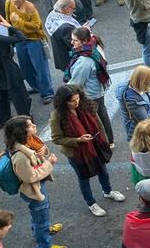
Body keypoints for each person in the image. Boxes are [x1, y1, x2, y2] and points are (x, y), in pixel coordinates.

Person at [50, 83, 123, 216]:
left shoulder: (86, 105)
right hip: (76, 152)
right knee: (84, 177)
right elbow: (57, 138)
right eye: (72, 101)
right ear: (63, 102)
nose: (76, 102)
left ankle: (108, 191)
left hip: (95, 145)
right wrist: (78, 140)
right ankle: (91, 203)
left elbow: (99, 125)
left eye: (78, 98)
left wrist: (105, 141)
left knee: (103, 170)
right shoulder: (57, 116)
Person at [5, 115, 66, 248]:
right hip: (33, 190)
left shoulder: (27, 143)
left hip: (38, 186)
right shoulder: (20, 156)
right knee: (40, 216)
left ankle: (43, 230)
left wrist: (42, 153)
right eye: (30, 125)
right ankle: (45, 246)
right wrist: (49, 163)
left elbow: (41, 149)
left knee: (40, 213)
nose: (34, 126)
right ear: (22, 132)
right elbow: (30, 177)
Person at [4, 0, 54, 103]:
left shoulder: (30, 7)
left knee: (40, 67)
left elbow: (36, 26)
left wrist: (19, 21)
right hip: (19, 40)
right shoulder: (8, 3)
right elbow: (8, 20)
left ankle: (47, 92)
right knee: (25, 67)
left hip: (33, 40)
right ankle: (36, 87)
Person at [65, 26, 113, 144]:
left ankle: (103, 143)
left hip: (89, 94)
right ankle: (109, 140)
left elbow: (75, 83)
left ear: (84, 41)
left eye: (75, 40)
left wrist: (64, 93)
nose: (72, 42)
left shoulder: (84, 61)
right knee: (102, 114)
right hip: (98, 89)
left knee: (93, 121)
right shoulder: (94, 46)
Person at [116, 65, 150, 140]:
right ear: (143, 81)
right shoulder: (132, 100)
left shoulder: (134, 86)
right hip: (141, 132)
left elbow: (144, 98)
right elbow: (145, 119)